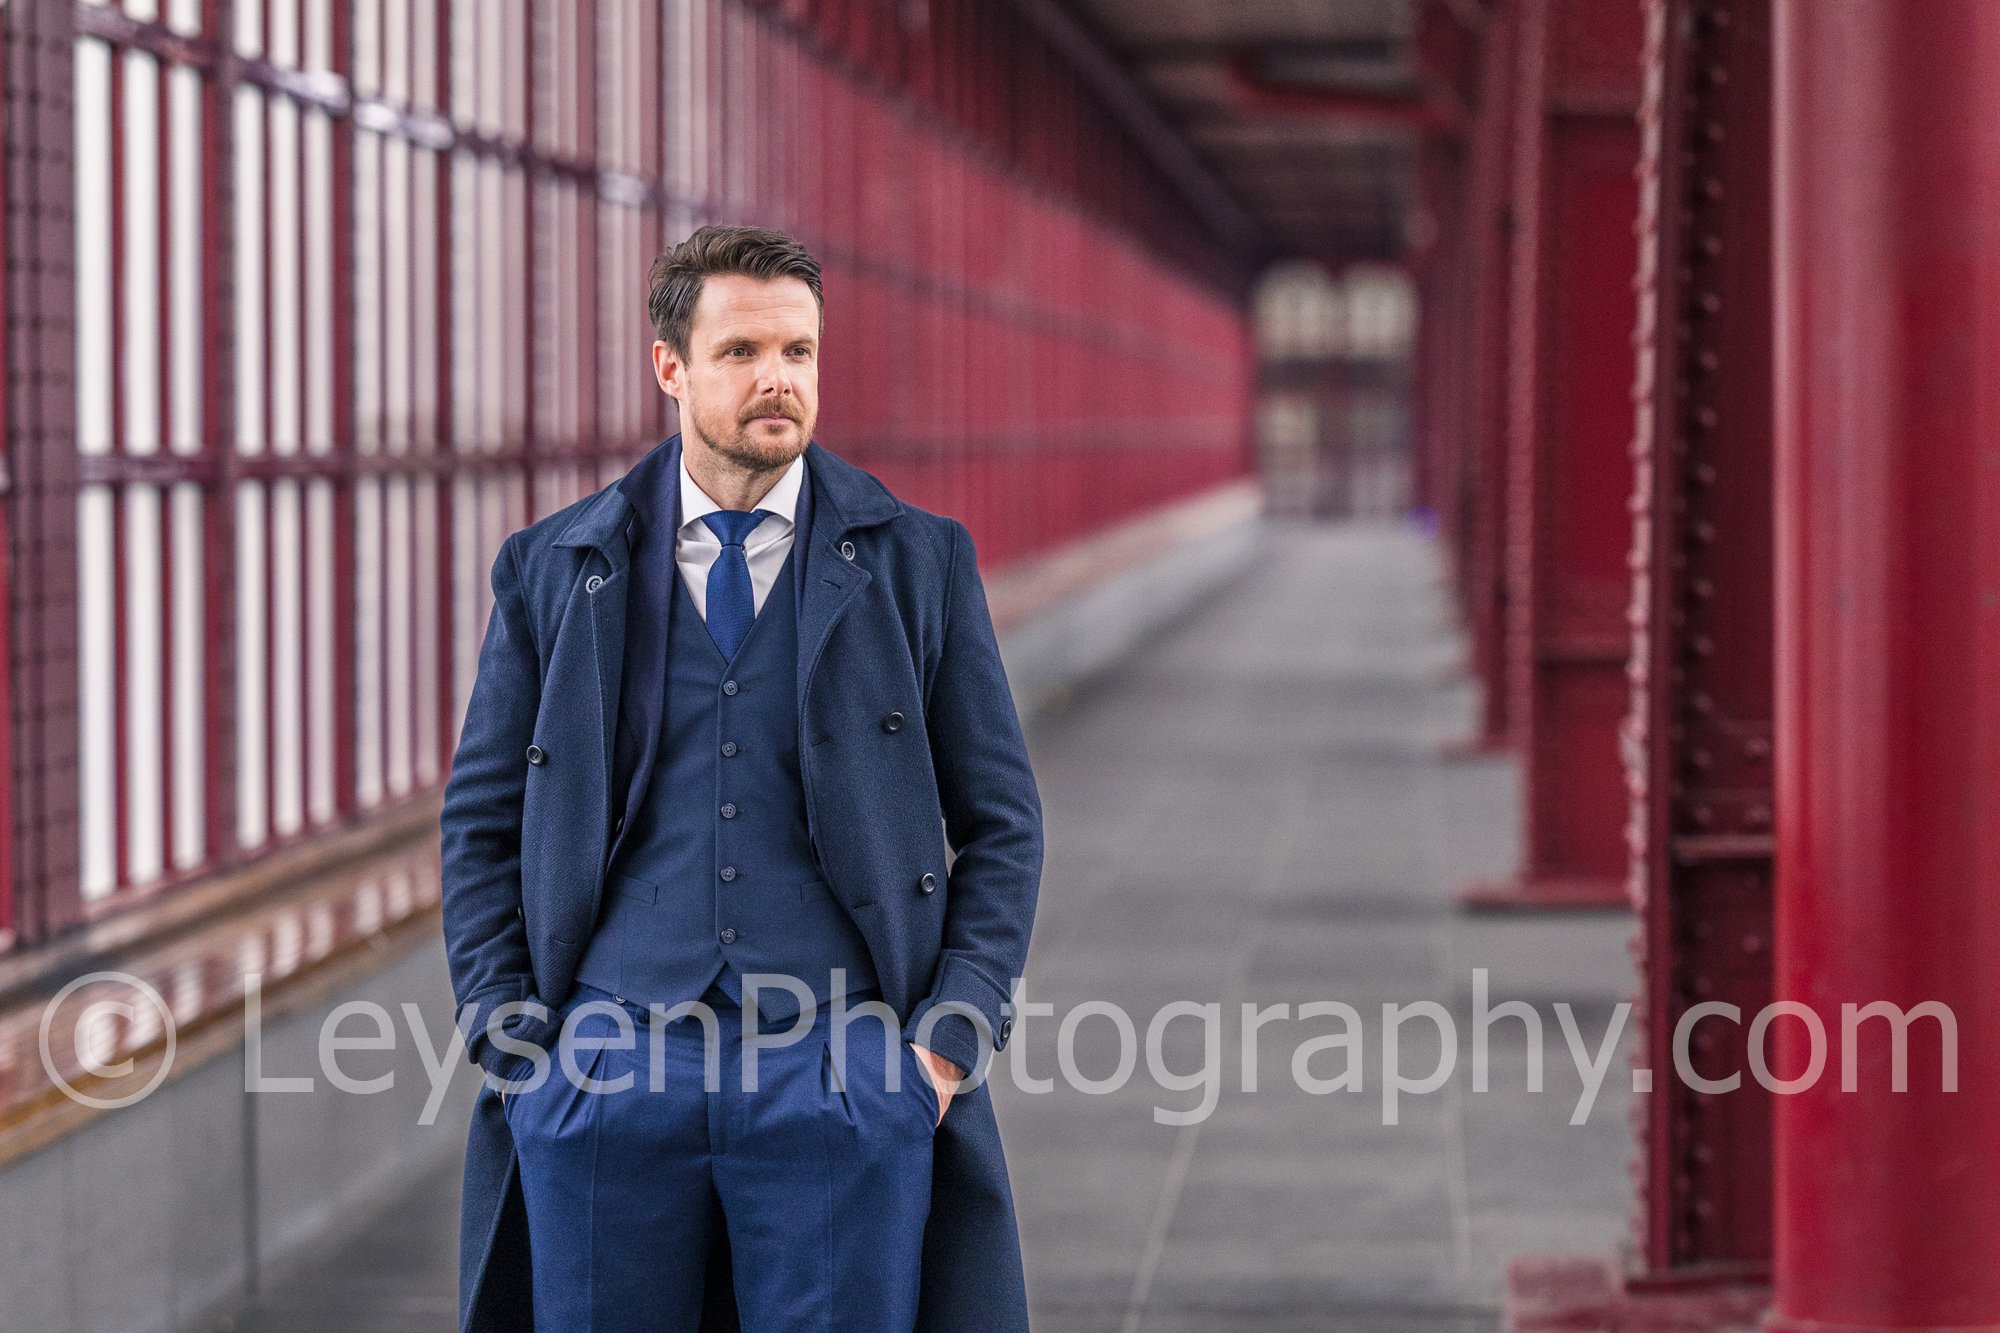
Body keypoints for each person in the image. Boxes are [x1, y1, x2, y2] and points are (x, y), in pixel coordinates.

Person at [440, 224, 1044, 1332]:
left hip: (839, 1067)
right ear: (670, 366)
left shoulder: (917, 561)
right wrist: (511, 1035)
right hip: (606, 1070)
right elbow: (479, 820)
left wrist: (944, 1040)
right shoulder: (555, 568)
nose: (778, 379)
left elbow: (1002, 824)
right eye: (741, 352)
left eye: (800, 352)